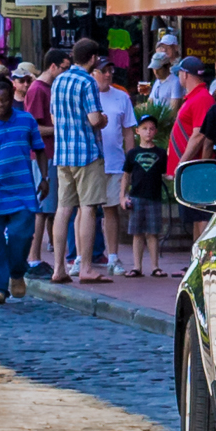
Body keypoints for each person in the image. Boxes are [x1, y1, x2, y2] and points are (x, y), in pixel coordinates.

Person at [0, 76, 46, 307]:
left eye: (4, 100)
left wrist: (45, 178)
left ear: (11, 98)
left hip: (22, 191)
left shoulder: (26, 120)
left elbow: (40, 149)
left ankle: (17, 272)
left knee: (21, 237)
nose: (0, 105)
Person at [48, 50, 109, 280]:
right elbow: (94, 119)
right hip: (86, 153)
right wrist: (103, 119)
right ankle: (85, 267)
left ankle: (58, 268)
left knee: (63, 209)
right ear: (92, 58)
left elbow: (53, 117)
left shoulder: (58, 80)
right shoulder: (87, 82)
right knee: (88, 208)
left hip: (63, 153)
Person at [84, 55, 139, 280]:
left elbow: (128, 132)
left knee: (111, 209)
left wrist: (131, 162)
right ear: (93, 74)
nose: (107, 75)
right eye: (103, 71)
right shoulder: (87, 95)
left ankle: (113, 257)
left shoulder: (121, 97)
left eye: (110, 70)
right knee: (85, 209)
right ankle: (81, 258)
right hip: (90, 160)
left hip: (115, 161)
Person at [121, 99, 172, 280]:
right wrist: (122, 196)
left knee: (153, 233)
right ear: (137, 131)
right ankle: (137, 266)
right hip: (136, 196)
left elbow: (166, 173)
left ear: (155, 131)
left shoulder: (160, 153)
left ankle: (155, 266)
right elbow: (126, 175)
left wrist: (173, 178)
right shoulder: (133, 154)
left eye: (151, 129)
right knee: (137, 233)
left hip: (154, 196)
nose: (148, 132)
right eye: (144, 129)